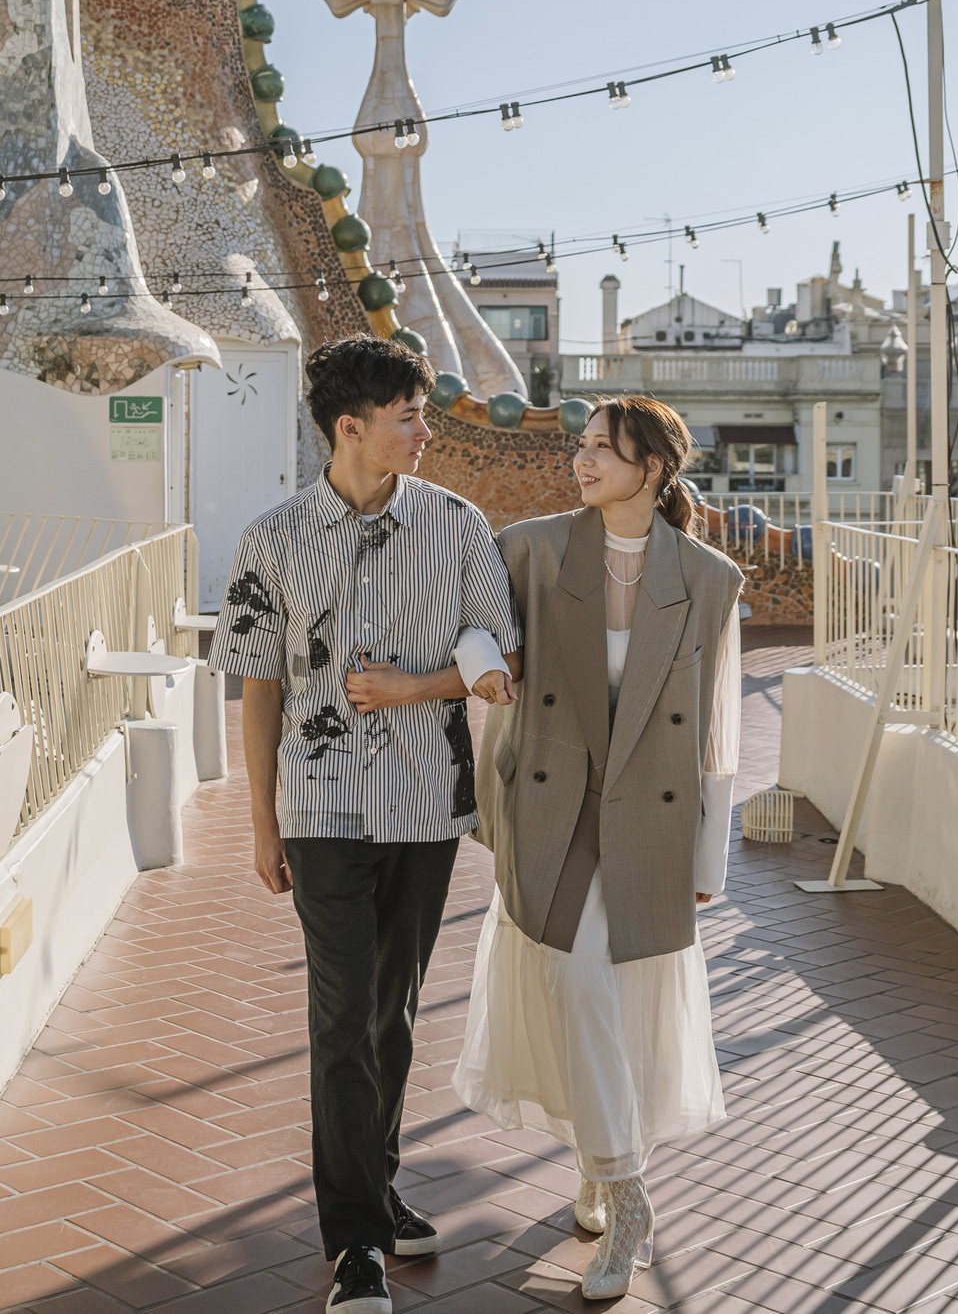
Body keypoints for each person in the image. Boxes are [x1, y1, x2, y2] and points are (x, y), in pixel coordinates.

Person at [212, 335, 521, 1314]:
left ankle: (377, 1191)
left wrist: (412, 687)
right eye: (409, 417)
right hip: (322, 805)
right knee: (343, 1014)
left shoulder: (461, 525)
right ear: (351, 427)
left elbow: (494, 655)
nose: (426, 431)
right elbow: (259, 689)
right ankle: (355, 1244)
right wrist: (261, 823)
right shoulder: (269, 540)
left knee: (391, 1013)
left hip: (429, 803)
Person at [451, 395, 743, 1301]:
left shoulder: (706, 576)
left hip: (648, 817)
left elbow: (718, 730)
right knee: (577, 982)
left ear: (652, 469)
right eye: (578, 448)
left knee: (619, 998)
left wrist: (707, 861)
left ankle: (598, 1167)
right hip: (554, 807)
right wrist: (481, 668)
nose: (580, 463)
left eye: (601, 452)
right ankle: (629, 1197)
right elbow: (471, 621)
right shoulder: (534, 548)